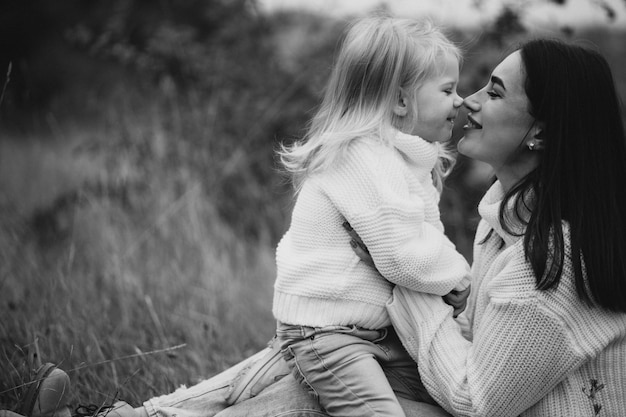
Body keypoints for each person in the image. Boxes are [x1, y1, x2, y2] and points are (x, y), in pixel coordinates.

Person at [4, 36, 626, 417]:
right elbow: (466, 326)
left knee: (314, 397)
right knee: (308, 360)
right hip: (470, 395)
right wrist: (412, 285)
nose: (468, 102)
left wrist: (393, 275)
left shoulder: (553, 259)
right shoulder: (509, 217)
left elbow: (478, 399)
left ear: (540, 131)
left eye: (492, 91)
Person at [271, 15, 470, 417]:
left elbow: (428, 236)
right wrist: (459, 276)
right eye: (448, 90)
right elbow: (402, 255)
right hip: (326, 334)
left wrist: (451, 279)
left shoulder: (406, 159)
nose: (460, 100)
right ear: (400, 100)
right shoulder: (362, 156)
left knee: (447, 398)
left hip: (374, 330)